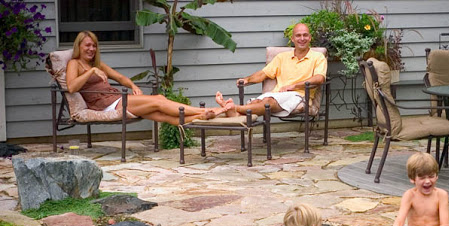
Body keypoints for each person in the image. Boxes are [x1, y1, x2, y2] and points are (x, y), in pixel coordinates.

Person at [65, 31, 228, 125]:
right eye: (87, 45)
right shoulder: (75, 63)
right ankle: (205, 110)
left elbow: (120, 78)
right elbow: (72, 87)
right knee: (157, 100)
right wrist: (91, 71)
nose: (91, 49)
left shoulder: (98, 64)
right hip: (106, 105)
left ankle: (200, 117)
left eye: (94, 45)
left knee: (160, 113)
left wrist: (133, 86)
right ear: (79, 46)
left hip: (114, 98)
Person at [215, 23, 327, 117]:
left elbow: (319, 78)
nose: (302, 39)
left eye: (305, 35)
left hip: (299, 95)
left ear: (310, 37)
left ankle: (232, 107)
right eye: (298, 36)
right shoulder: (282, 57)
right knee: (257, 102)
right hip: (278, 94)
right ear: (292, 39)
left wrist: (294, 86)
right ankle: (233, 112)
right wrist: (247, 79)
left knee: (268, 102)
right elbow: (264, 73)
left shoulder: (317, 57)